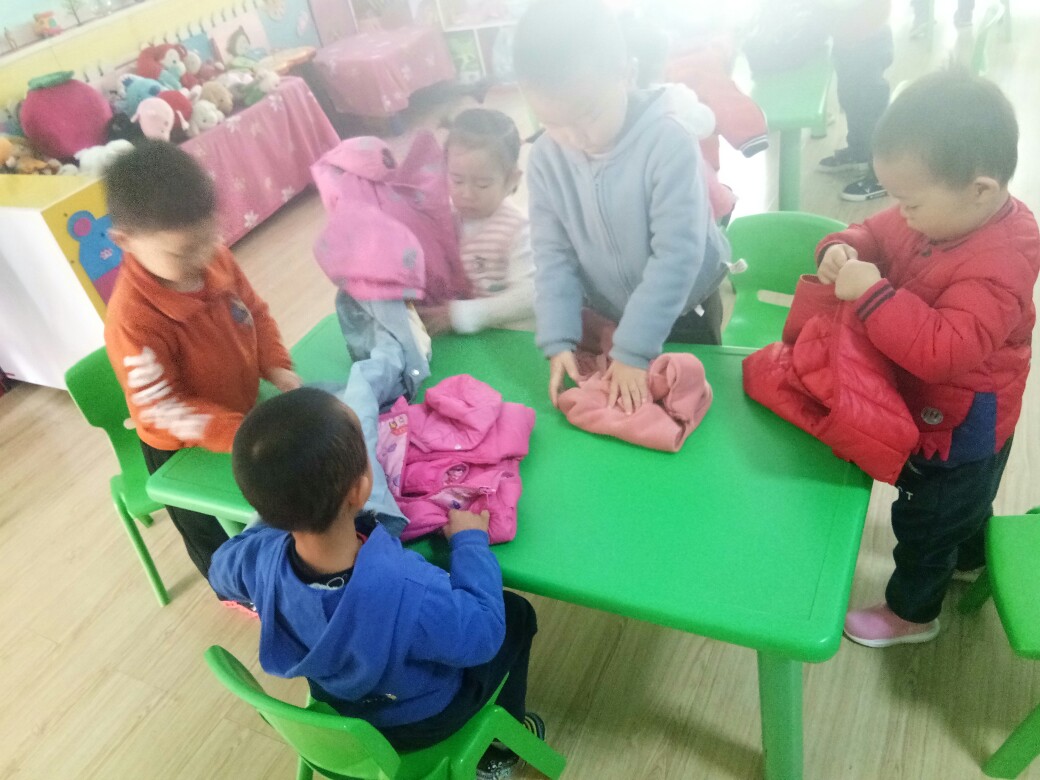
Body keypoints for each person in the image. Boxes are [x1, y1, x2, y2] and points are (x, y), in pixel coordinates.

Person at [208, 388, 543, 779]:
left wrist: (278, 511)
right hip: (420, 722)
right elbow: (483, 635)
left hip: (338, 707)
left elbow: (220, 570)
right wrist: (469, 543)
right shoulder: (409, 590)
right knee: (517, 613)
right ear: (360, 488)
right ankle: (501, 748)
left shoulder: (255, 561)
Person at [816, 70, 1039, 647]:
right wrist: (844, 247)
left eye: (909, 202)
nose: (901, 212)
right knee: (964, 507)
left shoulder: (1002, 260)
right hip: (941, 411)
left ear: (980, 190)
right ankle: (970, 556)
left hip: (960, 423)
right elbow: (873, 231)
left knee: (927, 520)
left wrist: (872, 295)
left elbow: (944, 351)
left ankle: (913, 613)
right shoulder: (942, 211)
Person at [513, 0, 731, 414]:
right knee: (631, 418)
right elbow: (553, 257)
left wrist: (633, 350)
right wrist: (558, 337)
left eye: (588, 116)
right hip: (610, 314)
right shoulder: (545, 159)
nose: (575, 138)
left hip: (686, 309)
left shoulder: (669, 142)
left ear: (626, 74)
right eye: (553, 123)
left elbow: (677, 255)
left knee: (695, 409)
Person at [104, 140, 300, 597]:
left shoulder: (215, 257)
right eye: (181, 253)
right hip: (181, 447)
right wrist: (238, 432)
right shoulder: (133, 320)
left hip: (241, 414)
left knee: (261, 502)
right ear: (125, 242)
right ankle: (235, 591)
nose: (201, 259)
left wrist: (276, 365)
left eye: (207, 240)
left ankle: (275, 560)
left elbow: (254, 313)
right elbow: (161, 411)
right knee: (212, 532)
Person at [419, 108, 535, 335]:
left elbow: (531, 296)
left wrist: (460, 314)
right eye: (457, 180)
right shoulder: (448, 218)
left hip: (512, 334)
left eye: (482, 184)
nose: (467, 194)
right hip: (468, 333)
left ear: (512, 180)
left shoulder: (518, 229)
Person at [816, 0, 894, 202]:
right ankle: (859, 153)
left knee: (869, 107)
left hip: (867, 34)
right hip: (847, 37)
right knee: (851, 99)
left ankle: (881, 177)